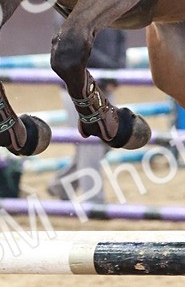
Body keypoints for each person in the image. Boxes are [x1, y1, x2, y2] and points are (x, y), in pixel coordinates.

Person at [46, 27, 127, 205]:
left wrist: (118, 72)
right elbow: (76, 46)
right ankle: (94, 201)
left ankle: (62, 184)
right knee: (91, 145)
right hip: (79, 88)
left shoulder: (115, 12)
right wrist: (112, 71)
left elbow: (121, 38)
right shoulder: (67, 12)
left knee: (110, 139)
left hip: (105, 85)